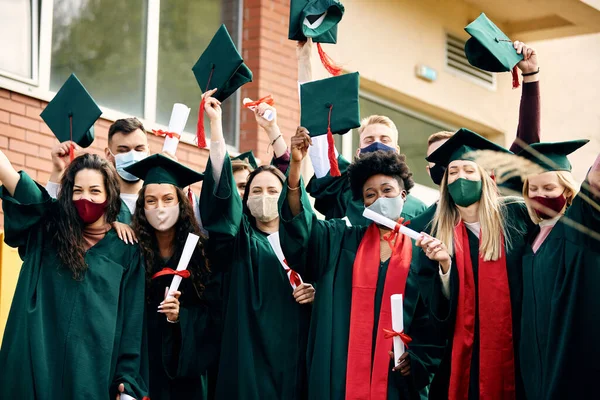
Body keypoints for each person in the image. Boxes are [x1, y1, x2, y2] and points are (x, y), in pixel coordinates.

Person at [279, 127, 444, 399]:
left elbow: (433, 323)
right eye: (370, 195)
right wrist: (296, 165)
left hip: (394, 382)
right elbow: (301, 230)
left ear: (403, 196)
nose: (379, 199)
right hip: (339, 378)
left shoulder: (422, 251)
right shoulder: (339, 240)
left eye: (387, 190)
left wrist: (417, 361)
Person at [0, 152, 148, 399]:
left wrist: (127, 381)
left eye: (94, 191)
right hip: (35, 361)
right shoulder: (48, 230)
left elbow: (132, 322)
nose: (85, 198)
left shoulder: (126, 249)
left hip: (91, 372)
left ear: (110, 195)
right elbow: (20, 188)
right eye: (77, 190)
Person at [199, 89, 314, 399]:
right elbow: (222, 201)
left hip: (296, 360)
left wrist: (272, 129)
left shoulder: (305, 242)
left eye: (272, 191)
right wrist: (217, 125)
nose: (264, 197)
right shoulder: (241, 244)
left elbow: (297, 195)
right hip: (250, 364)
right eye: (256, 191)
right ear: (244, 201)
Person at [415, 129, 534, 400]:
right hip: (462, 358)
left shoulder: (518, 215)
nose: (461, 178)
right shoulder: (433, 233)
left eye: (469, 170)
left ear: (485, 176)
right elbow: (435, 316)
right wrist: (444, 266)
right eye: (453, 172)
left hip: (517, 350)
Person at [410, 39, 541, 235]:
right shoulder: (427, 225)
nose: (457, 171)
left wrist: (530, 75)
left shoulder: (508, 203)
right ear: (430, 172)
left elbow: (527, 140)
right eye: (441, 160)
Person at [296, 39, 427, 225]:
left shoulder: (419, 209)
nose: (376, 143)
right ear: (358, 152)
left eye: (384, 139)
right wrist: (304, 62)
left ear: (396, 150)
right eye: (369, 139)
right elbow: (317, 130)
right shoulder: (342, 187)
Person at [123, 154, 221, 399]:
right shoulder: (132, 252)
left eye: (168, 199)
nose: (160, 208)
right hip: (142, 371)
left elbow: (214, 319)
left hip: (185, 379)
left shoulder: (201, 256)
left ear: (181, 202)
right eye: (151, 201)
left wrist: (180, 317)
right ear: (142, 207)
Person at [515, 140, 600, 400]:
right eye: (534, 188)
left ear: (568, 189)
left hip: (572, 355)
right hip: (534, 367)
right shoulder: (526, 238)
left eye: (550, 188)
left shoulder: (579, 223)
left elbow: (596, 181)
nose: (541, 194)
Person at [47, 117, 150, 224]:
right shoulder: (96, 200)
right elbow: (51, 220)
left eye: (139, 149)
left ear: (148, 151)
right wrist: (58, 170)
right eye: (123, 150)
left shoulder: (155, 200)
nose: (132, 155)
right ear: (109, 154)